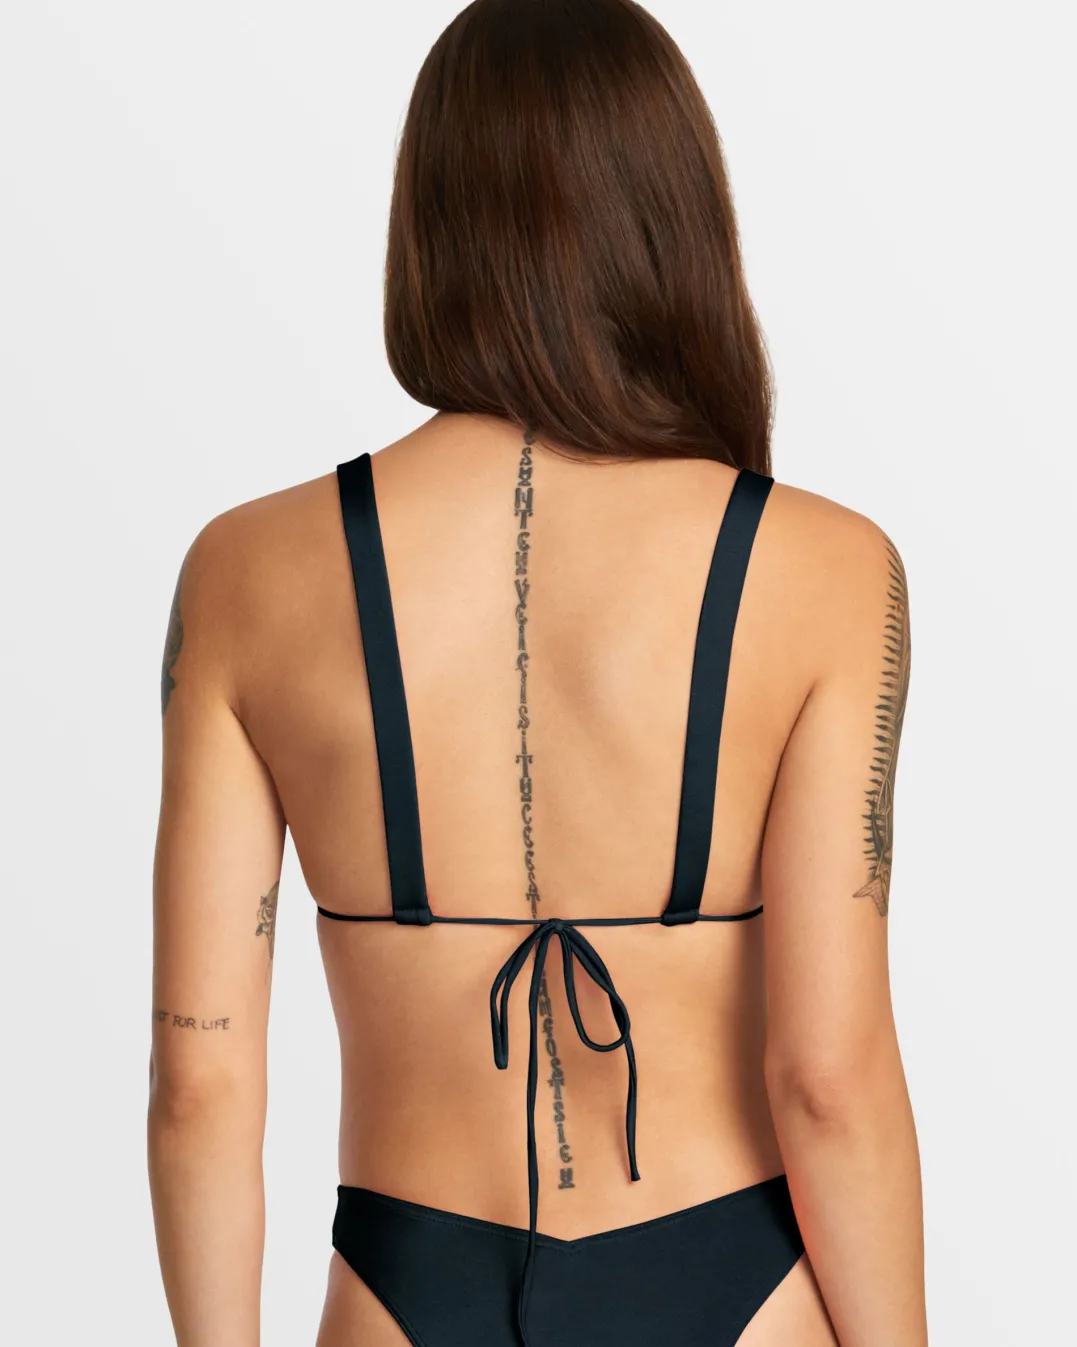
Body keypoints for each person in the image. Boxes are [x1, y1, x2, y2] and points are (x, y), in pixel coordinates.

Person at [147, 2, 926, 1344]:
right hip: (735, 1284)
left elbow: (198, 1082)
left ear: (429, 225)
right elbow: (828, 1079)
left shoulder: (247, 572)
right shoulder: (826, 570)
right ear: (674, 220)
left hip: (406, 1281)